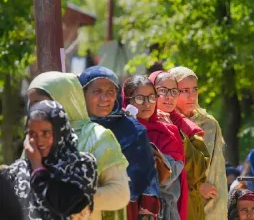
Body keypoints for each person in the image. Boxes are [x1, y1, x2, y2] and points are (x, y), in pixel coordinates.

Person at [27, 71, 130, 220]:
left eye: (39, 103)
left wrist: (74, 200)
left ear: (63, 101)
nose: (33, 110)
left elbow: (120, 193)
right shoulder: (32, 138)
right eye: (31, 103)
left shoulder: (98, 137)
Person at [78, 66, 161, 220]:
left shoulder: (133, 130)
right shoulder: (72, 128)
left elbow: (147, 178)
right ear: (82, 94)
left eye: (111, 91)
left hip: (125, 210)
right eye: (97, 91)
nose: (105, 98)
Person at [2, 100, 98, 220]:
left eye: (46, 133)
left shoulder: (81, 165)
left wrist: (37, 168)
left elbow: (64, 205)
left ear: (60, 132)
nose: (39, 141)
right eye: (32, 133)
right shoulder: (15, 172)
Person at [123, 75, 188, 220]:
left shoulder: (168, 132)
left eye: (152, 97)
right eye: (140, 98)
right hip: (125, 209)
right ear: (128, 101)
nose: (147, 103)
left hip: (164, 213)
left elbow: (167, 175)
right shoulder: (120, 132)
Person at [149, 70, 210, 220]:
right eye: (162, 91)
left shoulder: (188, 129)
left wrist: (176, 134)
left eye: (174, 91)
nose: (169, 96)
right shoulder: (139, 124)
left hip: (187, 209)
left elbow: (198, 171)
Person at [169, 66, 228, 220]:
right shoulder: (167, 123)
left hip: (213, 200)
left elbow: (216, 167)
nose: (191, 96)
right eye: (185, 90)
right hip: (181, 201)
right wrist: (197, 186)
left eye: (194, 89)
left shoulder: (209, 123)